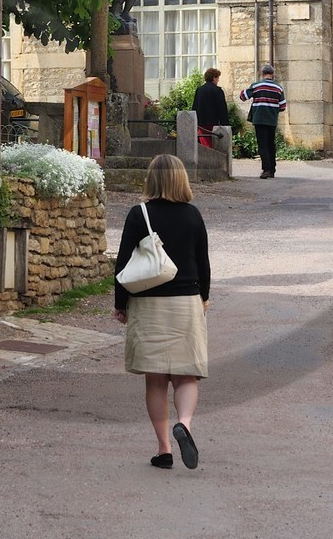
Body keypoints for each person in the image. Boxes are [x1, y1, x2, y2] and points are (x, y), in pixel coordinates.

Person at [113, 154, 211, 470]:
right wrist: (204, 299)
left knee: (156, 381)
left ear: (152, 179)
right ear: (181, 179)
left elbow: (123, 263)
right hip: (186, 302)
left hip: (148, 303)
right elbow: (203, 263)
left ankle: (164, 449)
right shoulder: (193, 216)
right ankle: (184, 424)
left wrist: (120, 303)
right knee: (186, 376)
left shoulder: (138, 214)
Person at [240, 63, 286, 179]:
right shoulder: (278, 88)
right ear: (272, 74)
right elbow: (282, 106)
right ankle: (272, 169)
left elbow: (243, 96)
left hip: (259, 119)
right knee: (271, 144)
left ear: (262, 73)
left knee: (263, 145)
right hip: (272, 119)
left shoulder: (256, 86)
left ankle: (266, 170)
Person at [193, 67, 227, 148]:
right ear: (213, 78)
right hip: (213, 122)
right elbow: (222, 108)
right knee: (213, 144)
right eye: (217, 77)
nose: (218, 80)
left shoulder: (199, 90)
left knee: (205, 144)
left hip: (201, 122)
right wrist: (225, 123)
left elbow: (195, 106)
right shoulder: (217, 91)